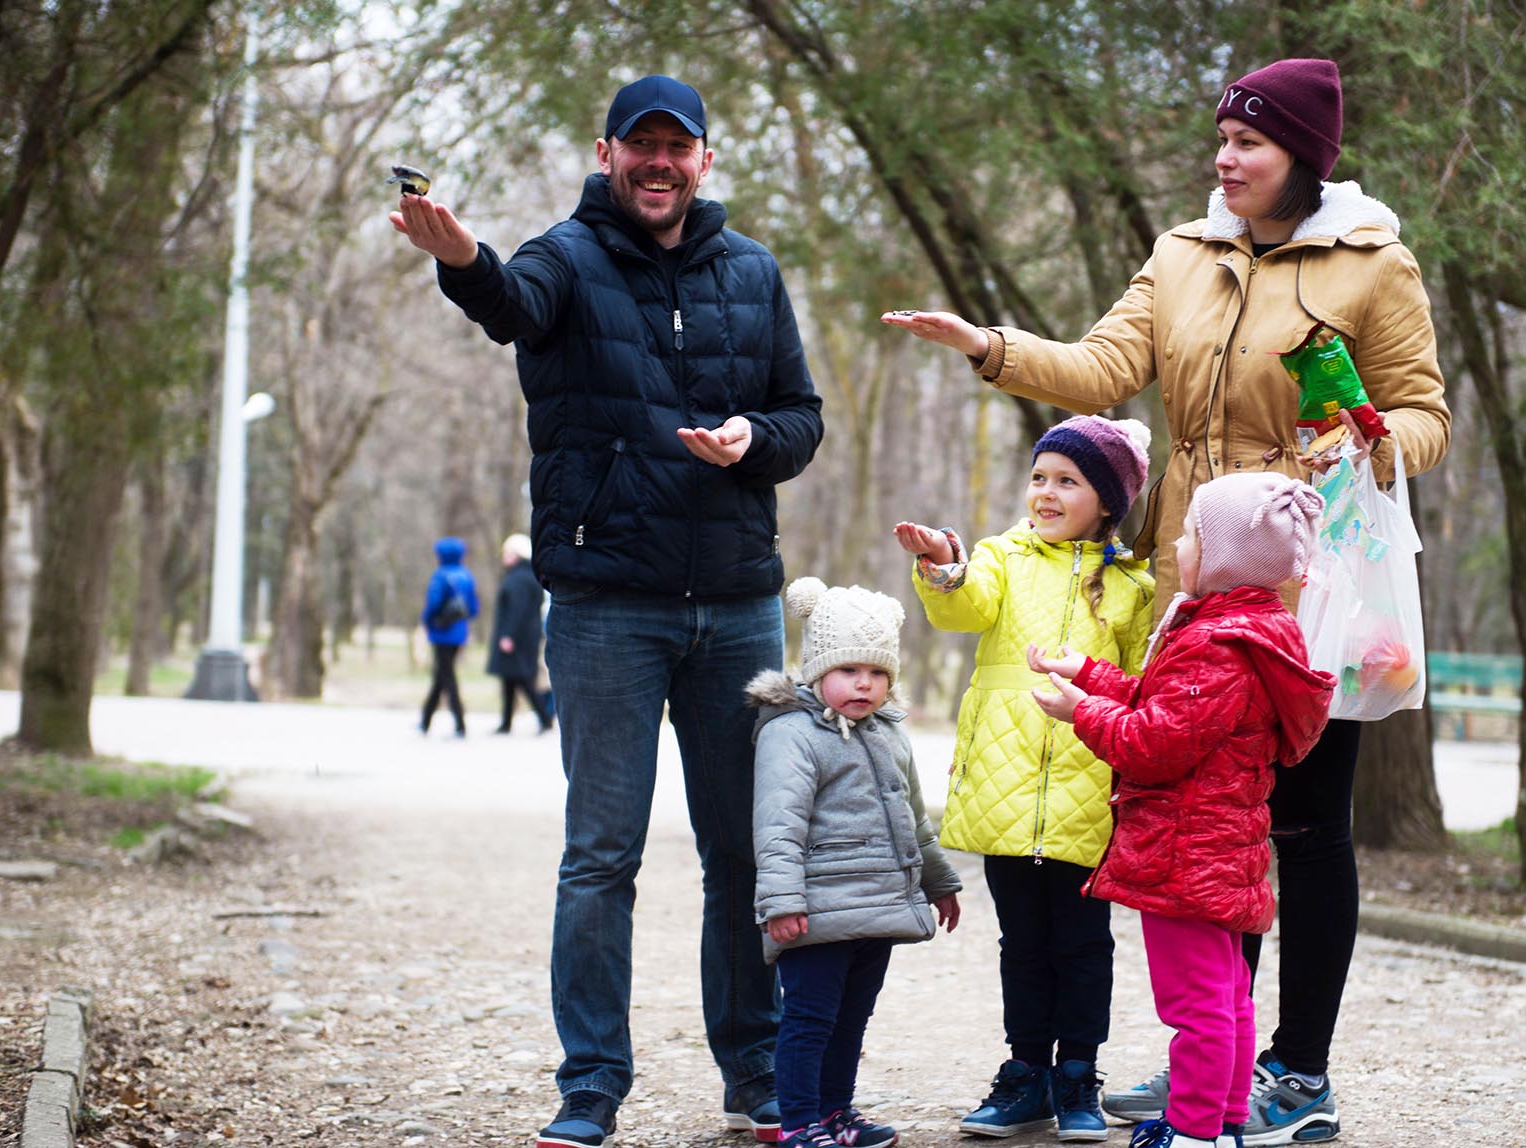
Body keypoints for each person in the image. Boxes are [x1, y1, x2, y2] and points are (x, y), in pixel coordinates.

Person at [883, 57, 1450, 1145]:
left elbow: (1425, 413)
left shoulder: (1376, 266)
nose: (1224, 158)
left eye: (1250, 144)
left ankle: (1299, 1068)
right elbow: (1103, 366)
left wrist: (1375, 443)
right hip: (1192, 580)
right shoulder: (1182, 254)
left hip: (1306, 581)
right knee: (1211, 822)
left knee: (1306, 823)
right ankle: (1221, 1058)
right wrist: (990, 349)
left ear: (1303, 157)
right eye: (1222, 140)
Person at [392, 74, 824, 1148]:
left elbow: (802, 416)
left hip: (734, 604)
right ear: (607, 153)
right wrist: (461, 261)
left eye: (679, 147)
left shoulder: (751, 271)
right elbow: (511, 305)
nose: (660, 163)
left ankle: (759, 1073)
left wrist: (750, 442)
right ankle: (590, 1085)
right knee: (601, 854)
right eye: (642, 146)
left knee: (745, 848)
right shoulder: (566, 256)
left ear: (705, 162)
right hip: (603, 606)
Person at [1030, 473, 1336, 1148]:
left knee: (1197, 1006)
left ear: (1226, 559)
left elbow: (1153, 742)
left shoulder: (1215, 644)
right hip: (1219, 848)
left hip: (1185, 853)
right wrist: (1088, 671)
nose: (1177, 542)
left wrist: (1081, 712)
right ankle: (1224, 1119)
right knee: (1227, 997)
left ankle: (1193, 1129)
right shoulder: (1249, 631)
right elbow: (1165, 701)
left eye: (1191, 534)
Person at [892, 415, 1156, 1142]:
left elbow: (1138, 687)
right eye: (1040, 476)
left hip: (1086, 791)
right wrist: (943, 566)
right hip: (1005, 790)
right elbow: (962, 605)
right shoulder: (1001, 556)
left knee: (1082, 941)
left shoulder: (1132, 583)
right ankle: (1025, 1072)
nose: (1046, 492)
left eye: (1067, 481)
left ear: (1106, 499)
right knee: (1021, 942)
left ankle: (1078, 1073)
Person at [748, 577, 963, 1148]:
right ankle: (798, 1121)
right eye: (848, 671)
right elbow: (778, 825)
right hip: (817, 912)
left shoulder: (888, 733)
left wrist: (939, 880)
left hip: (879, 908)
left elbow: (913, 816)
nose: (863, 684)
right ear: (818, 669)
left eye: (876, 672)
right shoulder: (792, 734)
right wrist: (782, 901)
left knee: (851, 1020)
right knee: (810, 1019)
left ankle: (836, 1112)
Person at [486, 533, 552, 734]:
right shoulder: (527, 575)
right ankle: (506, 721)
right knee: (510, 679)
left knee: (522, 679)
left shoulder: (519, 579)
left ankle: (544, 717)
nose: (504, 556)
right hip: (525, 637)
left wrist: (508, 635)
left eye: (507, 552)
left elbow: (517, 609)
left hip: (517, 638)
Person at [419, 536, 480, 738]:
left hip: (441, 633)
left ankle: (460, 723)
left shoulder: (440, 576)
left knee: (447, 676)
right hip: (459, 633)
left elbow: (433, 604)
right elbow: (473, 608)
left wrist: (428, 623)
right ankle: (425, 720)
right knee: (441, 676)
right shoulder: (466, 575)